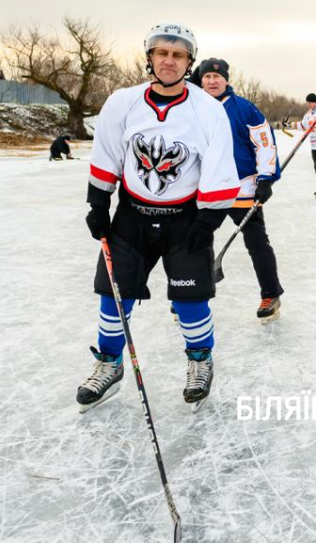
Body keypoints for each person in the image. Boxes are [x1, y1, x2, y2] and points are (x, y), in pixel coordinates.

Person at [77, 22, 239, 413]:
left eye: (178, 54)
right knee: (114, 296)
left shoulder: (208, 110)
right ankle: (109, 363)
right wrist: (98, 203)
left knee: (190, 299)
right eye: (162, 52)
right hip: (131, 216)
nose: (169, 60)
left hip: (184, 220)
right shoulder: (123, 102)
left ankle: (200, 362)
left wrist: (208, 221)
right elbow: (108, 154)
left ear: (189, 62)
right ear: (149, 57)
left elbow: (219, 167)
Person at [194, 57, 284, 323]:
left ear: (226, 80)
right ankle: (193, 296)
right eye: (207, 77)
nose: (212, 81)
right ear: (201, 81)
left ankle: (270, 294)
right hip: (207, 189)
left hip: (243, 188)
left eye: (217, 77)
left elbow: (265, 143)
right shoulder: (193, 107)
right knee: (196, 242)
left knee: (257, 244)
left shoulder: (244, 108)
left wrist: (266, 178)